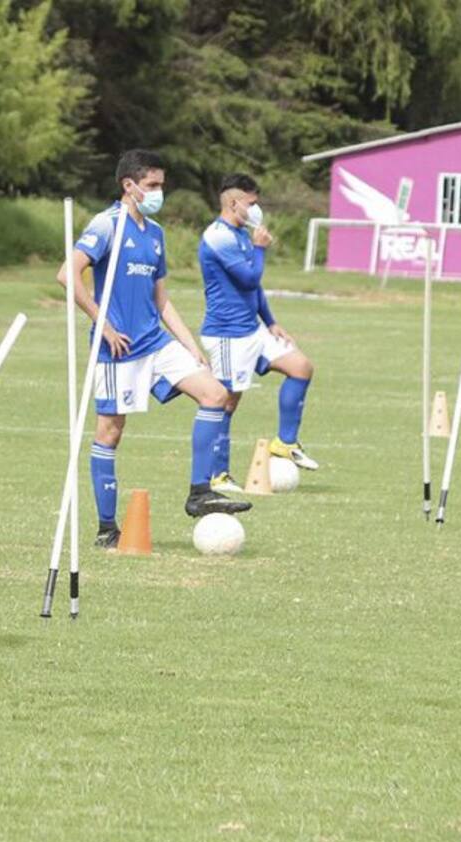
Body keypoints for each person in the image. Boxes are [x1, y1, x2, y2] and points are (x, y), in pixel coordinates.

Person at [57, 149, 250, 549]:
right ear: (129, 186)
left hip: (155, 341)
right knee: (111, 431)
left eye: (161, 184)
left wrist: (189, 344)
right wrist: (102, 323)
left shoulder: (156, 234)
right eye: (152, 185)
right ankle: (107, 529)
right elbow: (67, 274)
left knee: (215, 393)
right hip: (118, 347)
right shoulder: (107, 224)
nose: (159, 191)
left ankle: (199, 492)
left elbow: (161, 299)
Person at [199, 173, 318, 491]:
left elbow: (255, 290)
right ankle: (217, 474)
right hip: (227, 335)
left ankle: (285, 442)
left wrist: (271, 321)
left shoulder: (240, 233)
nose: (256, 210)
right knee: (226, 401)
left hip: (253, 329)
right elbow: (249, 278)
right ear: (234, 202)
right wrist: (261, 249)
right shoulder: (217, 237)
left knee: (301, 367)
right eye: (252, 204)